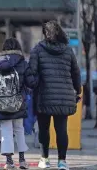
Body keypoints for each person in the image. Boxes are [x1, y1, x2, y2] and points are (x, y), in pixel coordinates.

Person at [29, 21, 81, 170]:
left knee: (44, 129)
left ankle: (44, 159)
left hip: (44, 96)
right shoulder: (68, 50)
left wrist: (33, 84)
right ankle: (62, 162)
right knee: (61, 129)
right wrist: (77, 91)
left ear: (45, 34)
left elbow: (31, 73)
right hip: (63, 96)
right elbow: (75, 73)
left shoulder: (37, 50)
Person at [0, 38, 38, 170]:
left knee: (6, 131)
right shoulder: (23, 63)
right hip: (18, 102)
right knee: (19, 130)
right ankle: (22, 160)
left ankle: (9, 162)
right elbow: (31, 83)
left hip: (2, 103)